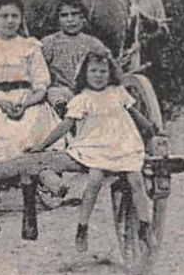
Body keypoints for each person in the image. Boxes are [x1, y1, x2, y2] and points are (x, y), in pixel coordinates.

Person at [30, 50, 156, 253]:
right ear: (85, 74)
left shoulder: (118, 93)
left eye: (103, 71)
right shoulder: (83, 98)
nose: (98, 75)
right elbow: (66, 125)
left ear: (110, 73)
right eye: (94, 71)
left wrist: (150, 129)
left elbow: (134, 114)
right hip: (95, 147)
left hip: (123, 146)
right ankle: (83, 226)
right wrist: (42, 146)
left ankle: (144, 225)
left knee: (136, 179)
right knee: (95, 180)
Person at [0, 0, 64, 240]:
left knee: (29, 132)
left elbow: (42, 84)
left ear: (21, 19)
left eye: (14, 16)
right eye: (4, 16)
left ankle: (29, 210)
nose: (9, 21)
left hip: (27, 101)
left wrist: (25, 101)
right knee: (1, 137)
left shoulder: (31, 47)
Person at [40, 0, 110, 112]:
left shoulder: (93, 44)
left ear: (83, 18)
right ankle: (62, 110)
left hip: (87, 91)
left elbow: (106, 68)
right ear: (57, 19)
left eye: (75, 14)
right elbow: (39, 71)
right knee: (55, 93)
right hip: (60, 90)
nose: (70, 20)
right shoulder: (49, 43)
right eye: (64, 15)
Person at [121, 0, 169, 74]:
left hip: (148, 49)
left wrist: (145, 40)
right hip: (126, 48)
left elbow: (163, 29)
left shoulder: (154, 0)